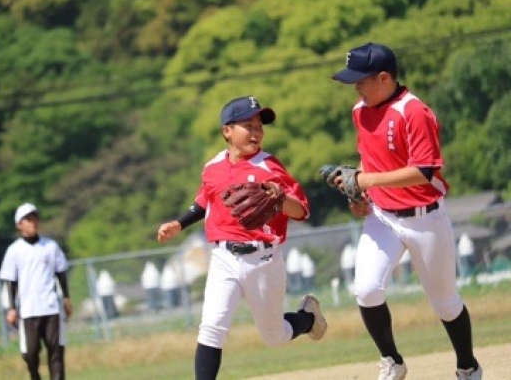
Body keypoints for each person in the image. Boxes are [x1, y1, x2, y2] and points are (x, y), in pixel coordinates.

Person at [331, 42, 482, 380]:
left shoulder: (414, 111)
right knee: (366, 289)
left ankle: (468, 366)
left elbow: (423, 171)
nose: (356, 88)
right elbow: (368, 162)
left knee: (445, 302)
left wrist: (368, 179)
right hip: (382, 217)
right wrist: (360, 193)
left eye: (361, 80)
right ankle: (393, 361)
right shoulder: (360, 111)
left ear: (384, 78)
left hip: (425, 218)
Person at [157, 96, 328, 380]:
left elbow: (301, 211)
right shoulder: (213, 166)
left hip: (263, 259)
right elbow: (204, 201)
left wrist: (280, 199)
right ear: (227, 131)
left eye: (259, 126)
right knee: (211, 328)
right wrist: (179, 223)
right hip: (223, 257)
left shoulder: (269, 166)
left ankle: (308, 318)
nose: (256, 132)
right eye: (248, 126)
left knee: (274, 336)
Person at [0, 203, 73, 380]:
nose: (33, 222)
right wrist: (11, 308)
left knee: (56, 350)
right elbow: (11, 280)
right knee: (30, 353)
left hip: (50, 307)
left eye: (35, 218)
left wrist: (66, 298)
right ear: (19, 225)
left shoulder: (50, 246)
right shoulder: (14, 250)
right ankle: (35, 375)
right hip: (28, 310)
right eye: (28, 219)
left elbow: (61, 272)